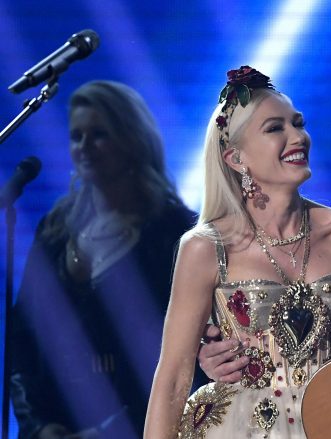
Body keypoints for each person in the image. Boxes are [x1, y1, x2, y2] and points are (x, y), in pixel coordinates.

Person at [144, 66, 331, 438]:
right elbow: (173, 378)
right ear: (235, 158)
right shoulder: (205, 248)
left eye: (298, 123)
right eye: (275, 128)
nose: (298, 137)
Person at [9, 81, 196, 439]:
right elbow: (23, 337)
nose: (84, 147)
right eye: (76, 136)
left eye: (99, 135)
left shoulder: (175, 232)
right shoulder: (55, 229)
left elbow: (186, 354)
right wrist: (39, 426)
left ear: (131, 139)